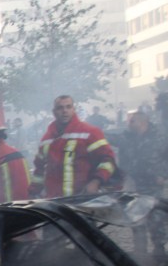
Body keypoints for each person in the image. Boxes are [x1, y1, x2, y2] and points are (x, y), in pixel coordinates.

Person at [29, 95, 117, 198]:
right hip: (53, 203)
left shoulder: (90, 133)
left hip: (81, 201)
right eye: (60, 108)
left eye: (68, 107)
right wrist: (33, 193)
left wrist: (95, 182)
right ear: (54, 112)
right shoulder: (47, 139)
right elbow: (39, 172)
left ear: (74, 109)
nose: (64, 111)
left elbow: (108, 161)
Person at [114, 111, 168, 257]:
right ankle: (140, 252)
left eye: (132, 121)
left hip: (153, 184)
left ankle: (159, 250)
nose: (129, 124)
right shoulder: (127, 138)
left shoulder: (160, 137)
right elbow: (122, 157)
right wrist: (124, 175)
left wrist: (163, 175)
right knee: (136, 218)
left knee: (156, 218)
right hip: (134, 184)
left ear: (143, 122)